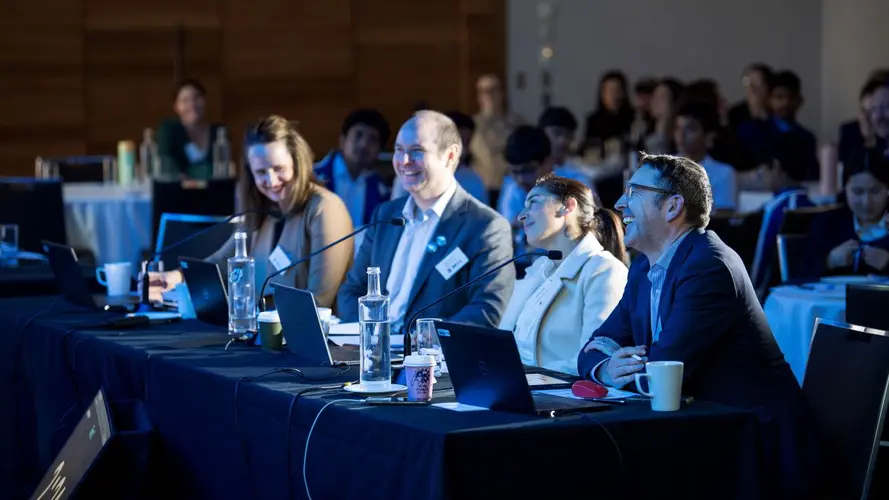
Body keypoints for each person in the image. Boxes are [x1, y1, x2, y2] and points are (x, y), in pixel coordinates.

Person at [578, 153, 821, 498]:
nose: (618, 203)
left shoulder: (708, 265)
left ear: (673, 206)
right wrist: (605, 370)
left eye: (633, 192)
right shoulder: (643, 269)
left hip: (753, 450)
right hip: (701, 432)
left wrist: (624, 367)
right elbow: (595, 346)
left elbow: (667, 370)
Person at [147, 115, 355, 310]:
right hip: (262, 335)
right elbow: (222, 263)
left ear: (297, 163)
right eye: (261, 172)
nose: (271, 181)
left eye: (279, 168)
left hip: (312, 341)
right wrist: (177, 277)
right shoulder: (262, 208)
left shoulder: (325, 209)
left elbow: (319, 300)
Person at [336, 110, 515, 333]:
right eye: (399, 150)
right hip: (372, 354)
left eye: (417, 151)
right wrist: (372, 335)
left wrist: (420, 341)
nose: (404, 161)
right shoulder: (386, 215)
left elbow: (486, 310)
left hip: (431, 361)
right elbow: (351, 291)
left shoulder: (486, 227)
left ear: (450, 156)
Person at [498, 174, 628, 375]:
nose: (521, 215)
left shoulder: (604, 270)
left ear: (567, 206)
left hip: (560, 397)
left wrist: (528, 376)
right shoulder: (539, 270)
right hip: (516, 387)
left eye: (533, 203)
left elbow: (595, 358)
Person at [749, 133, 815, 296]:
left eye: (763, 169)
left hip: (777, 294)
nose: (760, 174)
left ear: (776, 167)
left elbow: (761, 259)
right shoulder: (814, 206)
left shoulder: (776, 209)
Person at [810, 148, 889, 276]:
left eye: (875, 191)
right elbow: (800, 274)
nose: (866, 202)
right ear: (845, 189)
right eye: (858, 192)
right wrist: (830, 261)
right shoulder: (828, 224)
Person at [314, 109, 392, 230]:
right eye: (358, 135)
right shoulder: (312, 178)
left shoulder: (383, 192)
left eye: (373, 139)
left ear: (379, 151)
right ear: (342, 140)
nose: (364, 144)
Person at [391, 111, 487, 203]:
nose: (463, 150)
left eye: (467, 142)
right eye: (459, 142)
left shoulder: (473, 181)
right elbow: (396, 212)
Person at [469, 74, 524, 203]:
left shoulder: (517, 123)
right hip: (483, 190)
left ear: (502, 93)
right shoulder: (472, 125)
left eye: (493, 90)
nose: (488, 95)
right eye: (483, 91)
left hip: (511, 189)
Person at [673, 102, 737, 211]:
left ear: (708, 137)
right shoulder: (662, 168)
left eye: (690, 129)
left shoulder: (723, 173)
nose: (681, 135)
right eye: (678, 128)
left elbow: (724, 220)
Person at [157, 79, 226, 180]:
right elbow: (166, 164)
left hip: (213, 192)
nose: (192, 104)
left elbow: (225, 169)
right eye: (185, 100)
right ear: (176, 107)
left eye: (197, 98)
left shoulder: (219, 132)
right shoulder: (170, 130)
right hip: (179, 192)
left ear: (204, 101)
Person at [728, 63, 774, 131]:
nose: (751, 88)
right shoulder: (735, 113)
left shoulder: (776, 111)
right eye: (747, 82)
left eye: (756, 82)